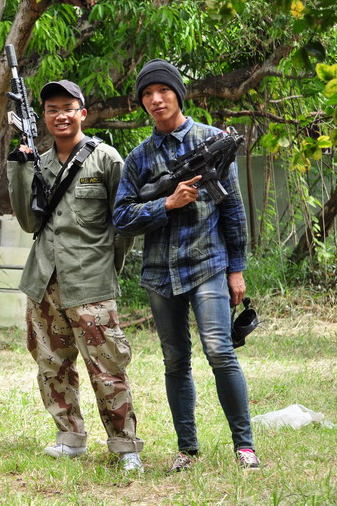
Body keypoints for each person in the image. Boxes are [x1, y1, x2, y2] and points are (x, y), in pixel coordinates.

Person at [113, 59, 260, 471]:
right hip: (160, 273)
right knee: (175, 359)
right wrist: (166, 204)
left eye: (163, 90)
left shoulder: (212, 140)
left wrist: (236, 269)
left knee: (220, 351)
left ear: (178, 93)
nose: (156, 99)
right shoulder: (139, 158)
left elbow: (233, 210)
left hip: (207, 264)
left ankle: (245, 446)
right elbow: (121, 217)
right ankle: (187, 449)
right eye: (147, 94)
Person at [7, 80, 144, 472]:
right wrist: (20, 166)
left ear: (82, 113)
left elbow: (124, 224)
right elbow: (28, 221)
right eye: (52, 109)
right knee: (52, 365)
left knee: (107, 366)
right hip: (44, 281)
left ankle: (125, 446)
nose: (61, 116)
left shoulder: (106, 159)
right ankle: (69, 438)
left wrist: (105, 267)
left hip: (90, 282)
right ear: (44, 117)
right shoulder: (38, 162)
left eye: (68, 108)